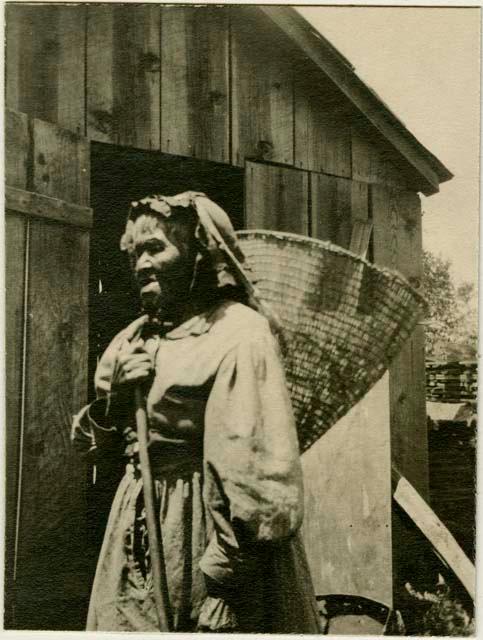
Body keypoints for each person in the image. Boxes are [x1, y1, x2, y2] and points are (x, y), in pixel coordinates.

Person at [71, 191, 321, 633]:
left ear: (199, 256)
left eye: (156, 248)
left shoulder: (238, 333)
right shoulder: (131, 339)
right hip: (139, 528)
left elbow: (256, 471)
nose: (141, 263)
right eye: (136, 252)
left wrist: (225, 582)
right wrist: (114, 403)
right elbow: (97, 453)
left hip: (210, 533)